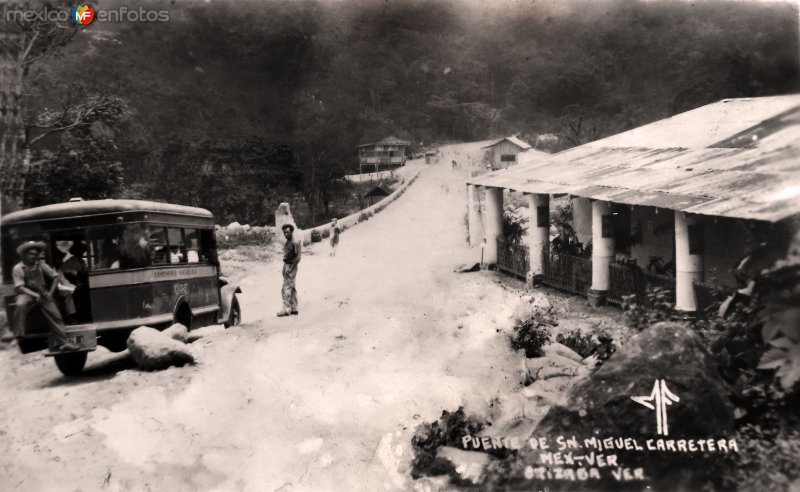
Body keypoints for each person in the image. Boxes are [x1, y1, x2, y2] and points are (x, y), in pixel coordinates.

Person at [12, 241, 78, 352]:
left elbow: (55, 276)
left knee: (56, 315)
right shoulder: (18, 268)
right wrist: (34, 295)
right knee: (20, 304)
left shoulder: (41, 265)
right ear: (25, 255)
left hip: (42, 293)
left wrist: (50, 292)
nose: (35, 256)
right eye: (32, 254)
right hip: (26, 293)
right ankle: (18, 336)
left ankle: (64, 343)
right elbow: (20, 287)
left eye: (36, 254)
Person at [277, 224, 301, 317]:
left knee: (285, 288)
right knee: (292, 287)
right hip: (287, 265)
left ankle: (286, 309)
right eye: (284, 233)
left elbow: (298, 257)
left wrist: (290, 268)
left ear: (291, 231)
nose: (286, 234)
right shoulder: (288, 242)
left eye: (287, 232)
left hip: (291, 266)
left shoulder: (295, 242)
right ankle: (294, 308)